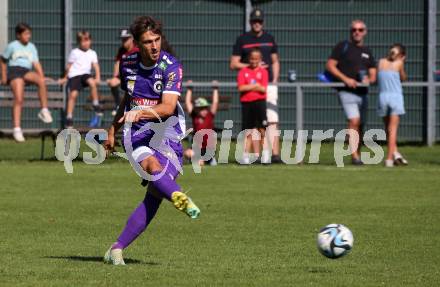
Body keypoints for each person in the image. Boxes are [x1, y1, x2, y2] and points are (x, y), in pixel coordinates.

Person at [103, 16, 200, 266]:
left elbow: (168, 107)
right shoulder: (127, 64)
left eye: (157, 40)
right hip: (135, 134)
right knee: (152, 168)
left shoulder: (171, 66)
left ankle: (116, 248)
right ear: (137, 43)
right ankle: (179, 196)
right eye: (148, 42)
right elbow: (128, 97)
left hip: (167, 132)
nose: (154, 46)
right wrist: (113, 129)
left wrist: (140, 112)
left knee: (155, 194)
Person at [230, 8, 281, 163]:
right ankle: (255, 156)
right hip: (251, 86)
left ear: (263, 22)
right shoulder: (242, 40)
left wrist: (274, 80)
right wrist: (253, 66)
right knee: (251, 125)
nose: (257, 24)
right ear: (250, 22)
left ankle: (275, 155)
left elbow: (275, 61)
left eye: (259, 21)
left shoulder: (269, 38)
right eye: (254, 21)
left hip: (268, 84)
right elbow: (233, 63)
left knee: (271, 121)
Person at [326, 19, 377, 165]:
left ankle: (357, 154)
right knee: (353, 121)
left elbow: (373, 72)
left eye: (360, 30)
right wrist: (345, 79)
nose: (357, 32)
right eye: (354, 30)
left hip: (363, 93)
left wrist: (369, 79)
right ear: (351, 32)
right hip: (346, 91)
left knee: (360, 125)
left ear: (365, 32)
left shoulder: (367, 51)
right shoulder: (343, 46)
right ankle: (355, 157)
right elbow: (330, 65)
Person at [0, 22, 53, 142]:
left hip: (26, 71)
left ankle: (44, 110)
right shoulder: (12, 46)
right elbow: (3, 60)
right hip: (14, 71)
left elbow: (36, 63)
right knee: (19, 99)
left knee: (40, 81)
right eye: (26, 34)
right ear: (19, 35)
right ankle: (17, 129)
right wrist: (4, 77)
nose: (28, 36)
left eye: (29, 34)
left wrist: (42, 76)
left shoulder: (32, 47)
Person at [58, 30, 101, 128]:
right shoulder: (74, 52)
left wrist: (97, 77)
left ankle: (95, 103)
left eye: (88, 40)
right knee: (72, 95)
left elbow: (96, 66)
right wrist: (65, 77)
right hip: (75, 75)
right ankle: (69, 117)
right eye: (83, 41)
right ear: (79, 42)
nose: (86, 43)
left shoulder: (92, 53)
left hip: (85, 74)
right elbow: (69, 66)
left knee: (92, 83)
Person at [377, 44, 408, 167]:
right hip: (395, 97)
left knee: (387, 128)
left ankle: (396, 154)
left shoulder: (380, 62)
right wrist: (402, 61)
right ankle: (389, 159)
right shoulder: (399, 63)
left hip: (382, 97)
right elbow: (403, 77)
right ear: (401, 55)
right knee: (393, 129)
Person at [237, 48, 268, 164]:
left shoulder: (264, 72)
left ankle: (264, 156)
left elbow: (263, 88)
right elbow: (241, 88)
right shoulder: (243, 71)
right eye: (252, 58)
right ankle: (245, 156)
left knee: (262, 130)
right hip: (247, 103)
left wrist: (249, 86)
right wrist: (255, 85)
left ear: (260, 59)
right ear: (249, 59)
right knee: (247, 131)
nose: (254, 61)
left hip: (260, 103)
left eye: (256, 59)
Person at [184, 80, 219, 166]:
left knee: (200, 162)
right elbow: (188, 103)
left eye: (205, 108)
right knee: (187, 153)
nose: (204, 110)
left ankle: (209, 159)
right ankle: (199, 159)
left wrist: (215, 89)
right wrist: (189, 89)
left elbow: (215, 102)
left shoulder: (210, 115)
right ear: (196, 109)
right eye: (201, 109)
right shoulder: (194, 116)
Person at [107, 29, 138, 116]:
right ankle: (118, 105)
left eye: (126, 39)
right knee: (113, 83)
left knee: (131, 87)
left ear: (132, 38)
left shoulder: (137, 50)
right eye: (122, 39)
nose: (123, 41)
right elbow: (117, 63)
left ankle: (132, 108)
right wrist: (115, 77)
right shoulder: (121, 50)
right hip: (124, 77)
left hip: (135, 78)